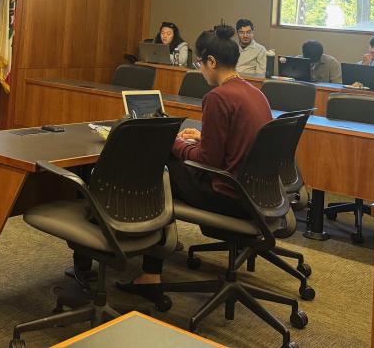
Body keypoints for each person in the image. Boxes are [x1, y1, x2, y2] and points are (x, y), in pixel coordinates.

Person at [117, 24, 273, 296]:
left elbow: (207, 161)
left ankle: (151, 270)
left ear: (211, 62)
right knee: (169, 159)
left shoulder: (218, 96)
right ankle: (162, 242)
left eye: (200, 63)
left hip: (227, 195)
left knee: (159, 168)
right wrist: (204, 137)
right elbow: (240, 140)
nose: (200, 69)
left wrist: (173, 141)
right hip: (256, 194)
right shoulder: (255, 93)